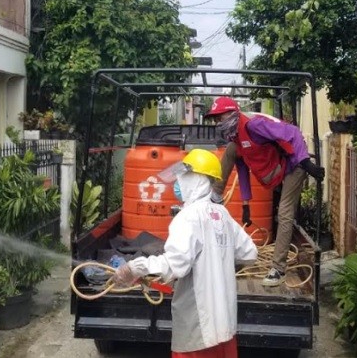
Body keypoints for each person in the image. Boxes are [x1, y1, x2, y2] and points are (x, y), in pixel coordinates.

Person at [113, 149, 258, 358]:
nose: (177, 185)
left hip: (198, 326)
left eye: (181, 178)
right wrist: (218, 262)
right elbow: (249, 253)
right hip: (225, 324)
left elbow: (175, 265)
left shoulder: (188, 217)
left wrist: (134, 267)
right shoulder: (222, 214)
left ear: (195, 179)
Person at [205, 96, 325, 287]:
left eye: (221, 117)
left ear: (233, 113)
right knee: (230, 150)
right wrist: (246, 203)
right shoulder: (235, 138)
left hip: (294, 165)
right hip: (276, 168)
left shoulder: (254, 125)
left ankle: (278, 269)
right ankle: (215, 195)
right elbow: (242, 170)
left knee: (284, 212)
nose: (218, 122)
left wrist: (306, 163)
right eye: (216, 119)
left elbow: (292, 132)